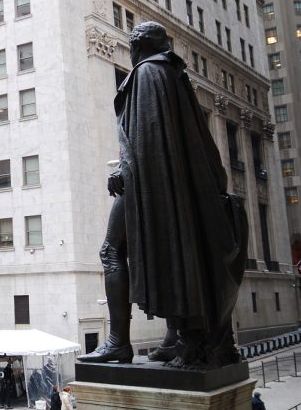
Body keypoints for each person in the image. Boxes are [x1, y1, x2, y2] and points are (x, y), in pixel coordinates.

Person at [77, 21, 247, 369]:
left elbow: (147, 137)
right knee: (175, 249)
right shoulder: (175, 77)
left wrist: (123, 172)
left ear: (139, 46)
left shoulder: (147, 74)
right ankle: (173, 339)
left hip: (146, 183)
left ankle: (118, 343)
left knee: (111, 250)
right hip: (171, 186)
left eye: (132, 42)